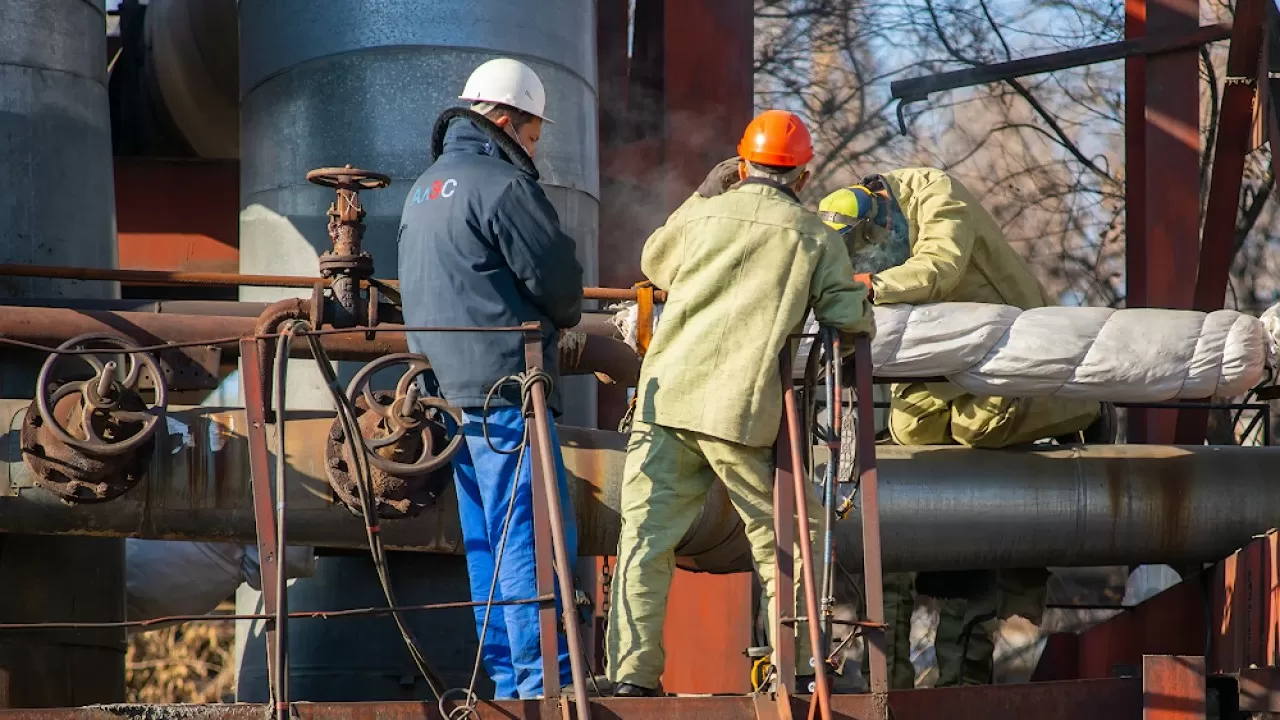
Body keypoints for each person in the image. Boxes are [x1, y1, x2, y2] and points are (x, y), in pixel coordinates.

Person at [605, 110, 876, 697]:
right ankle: (797, 668)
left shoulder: (703, 214)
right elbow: (846, 318)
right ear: (804, 177)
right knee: (786, 541)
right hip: (739, 412)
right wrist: (865, 292)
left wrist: (702, 196)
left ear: (741, 163)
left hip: (665, 401)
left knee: (643, 542)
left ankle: (631, 679)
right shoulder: (814, 237)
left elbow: (655, 261)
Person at [817, 168, 1116, 689]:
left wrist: (867, 286)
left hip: (1004, 357)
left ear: (881, 207)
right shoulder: (873, 232)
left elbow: (940, 268)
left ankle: (1087, 411)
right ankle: (891, 688)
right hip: (937, 360)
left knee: (981, 438)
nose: (866, 257)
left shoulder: (938, 197)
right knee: (908, 440)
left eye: (868, 245)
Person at [397, 57, 588, 700]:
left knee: (485, 547)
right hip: (507, 393)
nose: (534, 146)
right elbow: (561, 291)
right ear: (507, 120)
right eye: (533, 133)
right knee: (529, 542)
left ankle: (509, 682)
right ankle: (542, 686)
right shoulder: (503, 186)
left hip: (444, 398)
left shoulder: (424, 189)